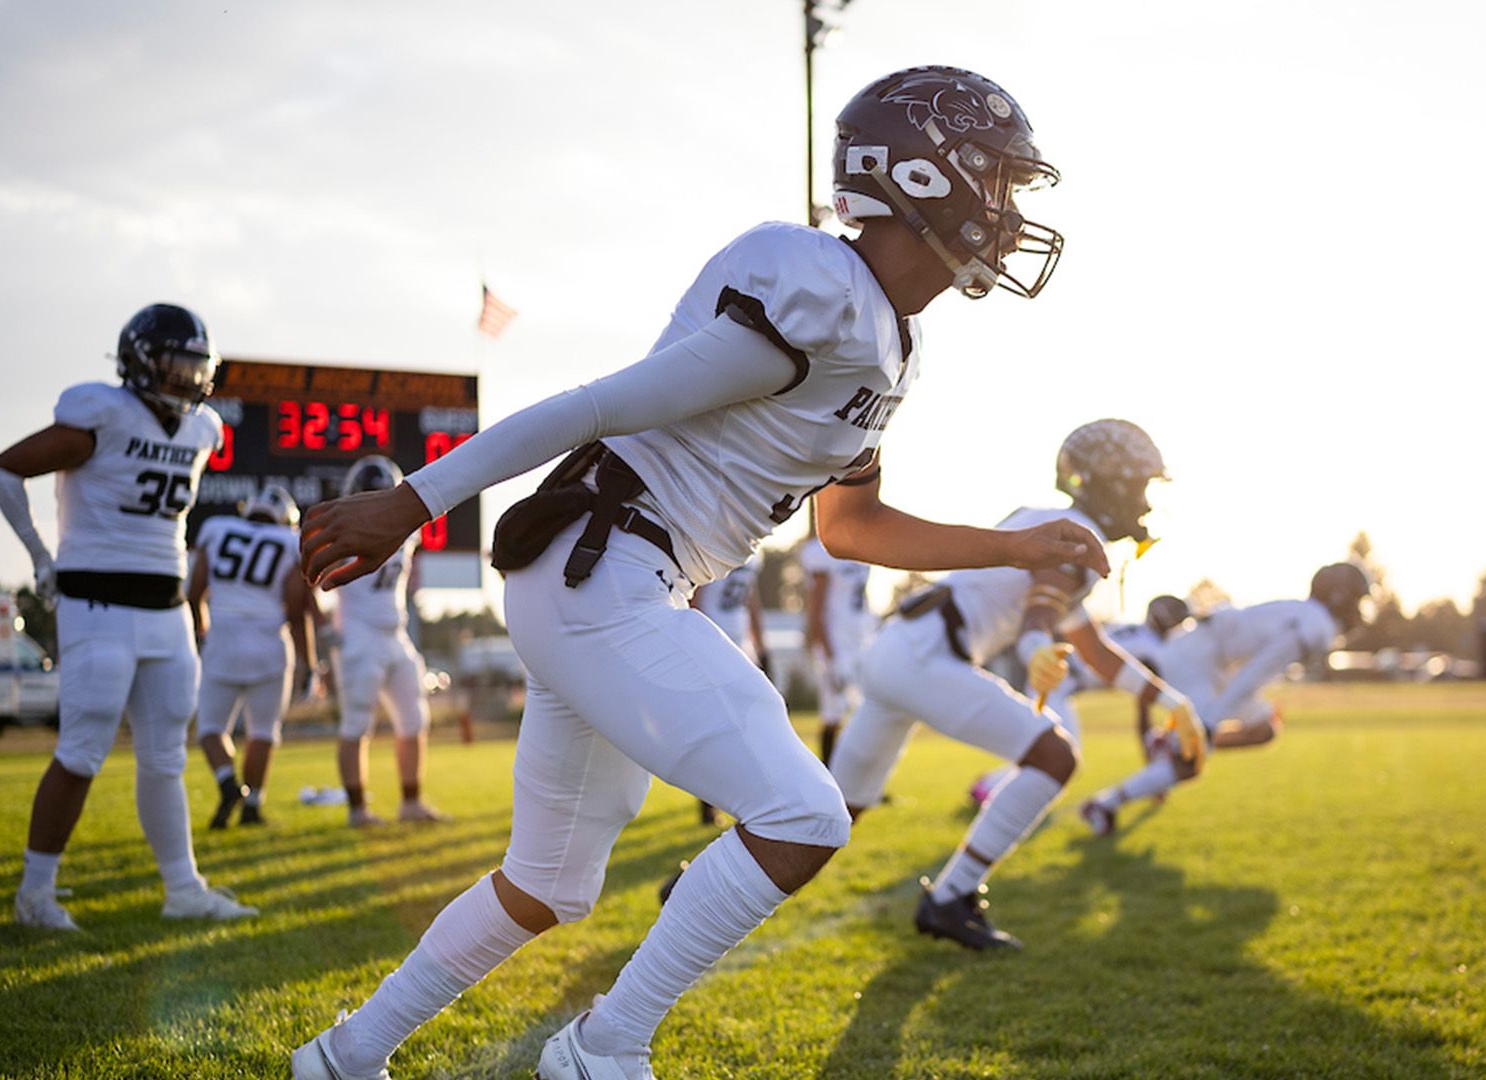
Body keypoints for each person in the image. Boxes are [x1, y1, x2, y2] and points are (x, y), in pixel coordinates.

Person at [291, 65, 1096, 1080]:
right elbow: (597, 406)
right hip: (605, 568)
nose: (1011, 208)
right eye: (998, 179)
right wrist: (413, 502)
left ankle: (342, 1058)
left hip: (611, 583)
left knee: (546, 888)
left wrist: (1014, 547)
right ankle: (603, 1050)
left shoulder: (894, 338)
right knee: (804, 815)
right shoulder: (819, 291)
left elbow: (851, 526)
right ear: (925, 177)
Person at [829, 419, 1197, 951]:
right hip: (928, 655)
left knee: (833, 813)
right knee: (1055, 757)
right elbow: (1038, 617)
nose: (1144, 502)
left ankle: (719, 873)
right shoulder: (1074, 534)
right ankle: (950, 898)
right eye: (1139, 483)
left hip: (902, 649)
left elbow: (1090, 646)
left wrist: (1168, 700)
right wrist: (1033, 650)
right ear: (1109, 482)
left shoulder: (1053, 520)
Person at [0, 303, 257, 930]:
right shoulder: (101, 412)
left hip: (166, 610)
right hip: (98, 604)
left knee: (166, 755)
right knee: (83, 748)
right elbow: (6, 469)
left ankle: (183, 888)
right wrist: (39, 556)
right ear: (141, 359)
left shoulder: (203, 430)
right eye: (179, 363)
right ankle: (35, 893)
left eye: (199, 366)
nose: (191, 378)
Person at [1079, 564, 1373, 836]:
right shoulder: (1316, 624)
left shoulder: (1308, 615)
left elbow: (1252, 670)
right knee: (1191, 758)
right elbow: (1257, 672)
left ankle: (1166, 745)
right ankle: (1105, 804)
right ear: (1339, 597)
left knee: (1263, 729)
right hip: (1197, 658)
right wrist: (1209, 721)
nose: (1359, 610)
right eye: (1357, 600)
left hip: (1214, 662)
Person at [965, 592, 1191, 807]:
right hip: (1057, 683)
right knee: (1064, 755)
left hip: (1058, 679)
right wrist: (1153, 773)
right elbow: (1143, 715)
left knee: (1053, 752)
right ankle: (988, 787)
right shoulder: (1151, 650)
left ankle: (989, 786)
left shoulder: (1128, 629)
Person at [326, 455, 446, 828]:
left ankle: (410, 802)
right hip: (358, 634)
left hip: (395, 632)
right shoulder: (342, 528)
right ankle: (358, 810)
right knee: (356, 724)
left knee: (414, 720)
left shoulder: (407, 531)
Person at [187, 482, 315, 828]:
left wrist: (202, 632)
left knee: (211, 730)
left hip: (223, 639)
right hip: (268, 644)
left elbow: (194, 590)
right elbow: (296, 608)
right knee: (263, 731)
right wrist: (310, 664)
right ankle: (252, 805)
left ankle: (228, 783)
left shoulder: (216, 529)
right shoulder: (291, 542)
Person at [687, 553, 768, 824]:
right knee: (715, 727)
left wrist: (760, 644)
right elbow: (694, 597)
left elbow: (751, 599)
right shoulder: (714, 543)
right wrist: (695, 643)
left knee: (746, 727)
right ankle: (708, 804)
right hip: (712, 640)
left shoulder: (754, 550)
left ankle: (741, 799)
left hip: (741, 644)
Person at [802, 532, 874, 763]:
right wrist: (828, 655)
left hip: (861, 640)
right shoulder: (822, 551)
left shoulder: (861, 546)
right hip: (837, 644)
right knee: (834, 714)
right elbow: (816, 607)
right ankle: (830, 777)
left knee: (865, 713)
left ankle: (858, 779)